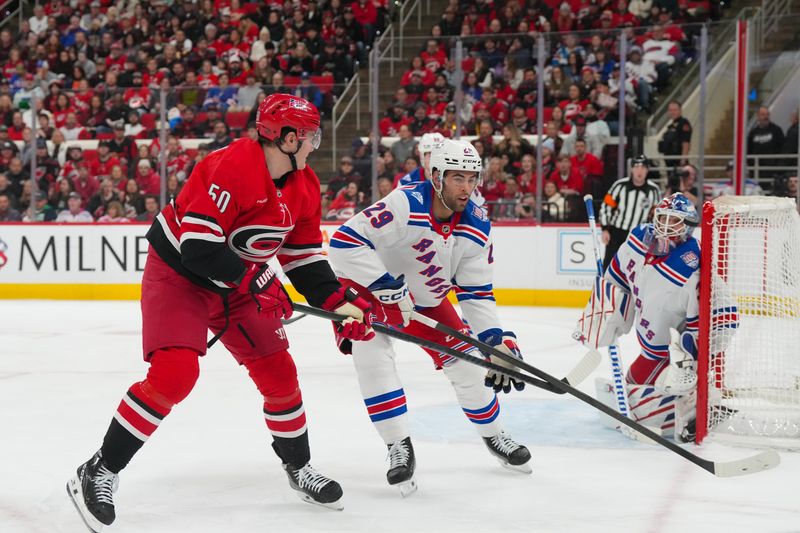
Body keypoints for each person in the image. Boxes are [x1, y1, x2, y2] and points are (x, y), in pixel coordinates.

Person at [66, 95, 375, 531]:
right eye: (309, 137)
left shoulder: (304, 186)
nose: (315, 145)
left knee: (280, 374)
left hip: (238, 285)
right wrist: (257, 279)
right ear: (287, 138)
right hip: (180, 278)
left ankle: (298, 467)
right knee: (175, 375)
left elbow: (303, 260)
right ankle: (99, 469)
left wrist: (340, 304)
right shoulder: (231, 166)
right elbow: (198, 251)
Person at [328, 138, 531, 496]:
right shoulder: (405, 202)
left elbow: (476, 293)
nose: (466, 187)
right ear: (436, 176)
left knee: (468, 365)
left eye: (472, 178)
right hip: (370, 294)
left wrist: (496, 341)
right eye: (457, 178)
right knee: (373, 359)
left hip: (426, 299)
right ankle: (397, 446)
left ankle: (494, 434)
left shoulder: (478, 225)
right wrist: (383, 285)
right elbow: (344, 242)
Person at [574, 193, 706, 442]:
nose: (666, 225)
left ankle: (695, 404)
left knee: (641, 402)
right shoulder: (637, 239)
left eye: (675, 221)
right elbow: (618, 279)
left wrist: (688, 356)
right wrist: (608, 312)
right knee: (627, 392)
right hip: (649, 347)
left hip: (671, 351)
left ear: (687, 226)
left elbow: (701, 322)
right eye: (663, 217)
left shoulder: (692, 263)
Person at [599, 155, 662, 270]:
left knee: (635, 268)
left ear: (647, 170)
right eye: (637, 167)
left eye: (643, 167)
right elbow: (606, 206)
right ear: (631, 169)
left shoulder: (654, 190)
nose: (640, 171)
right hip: (617, 233)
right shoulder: (619, 186)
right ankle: (605, 287)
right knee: (609, 265)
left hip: (639, 236)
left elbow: (657, 215)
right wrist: (605, 229)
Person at [747, 106, 785, 177]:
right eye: (763, 114)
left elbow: (782, 148)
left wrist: (778, 166)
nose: (766, 117)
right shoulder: (753, 132)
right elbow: (749, 150)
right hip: (757, 169)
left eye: (767, 114)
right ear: (758, 116)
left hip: (772, 169)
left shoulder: (776, 130)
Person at [658, 101, 692, 169]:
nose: (672, 112)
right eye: (670, 110)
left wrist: (683, 160)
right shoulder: (671, 126)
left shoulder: (684, 123)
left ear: (680, 111)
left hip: (678, 162)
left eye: (675, 110)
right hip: (670, 162)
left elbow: (686, 143)